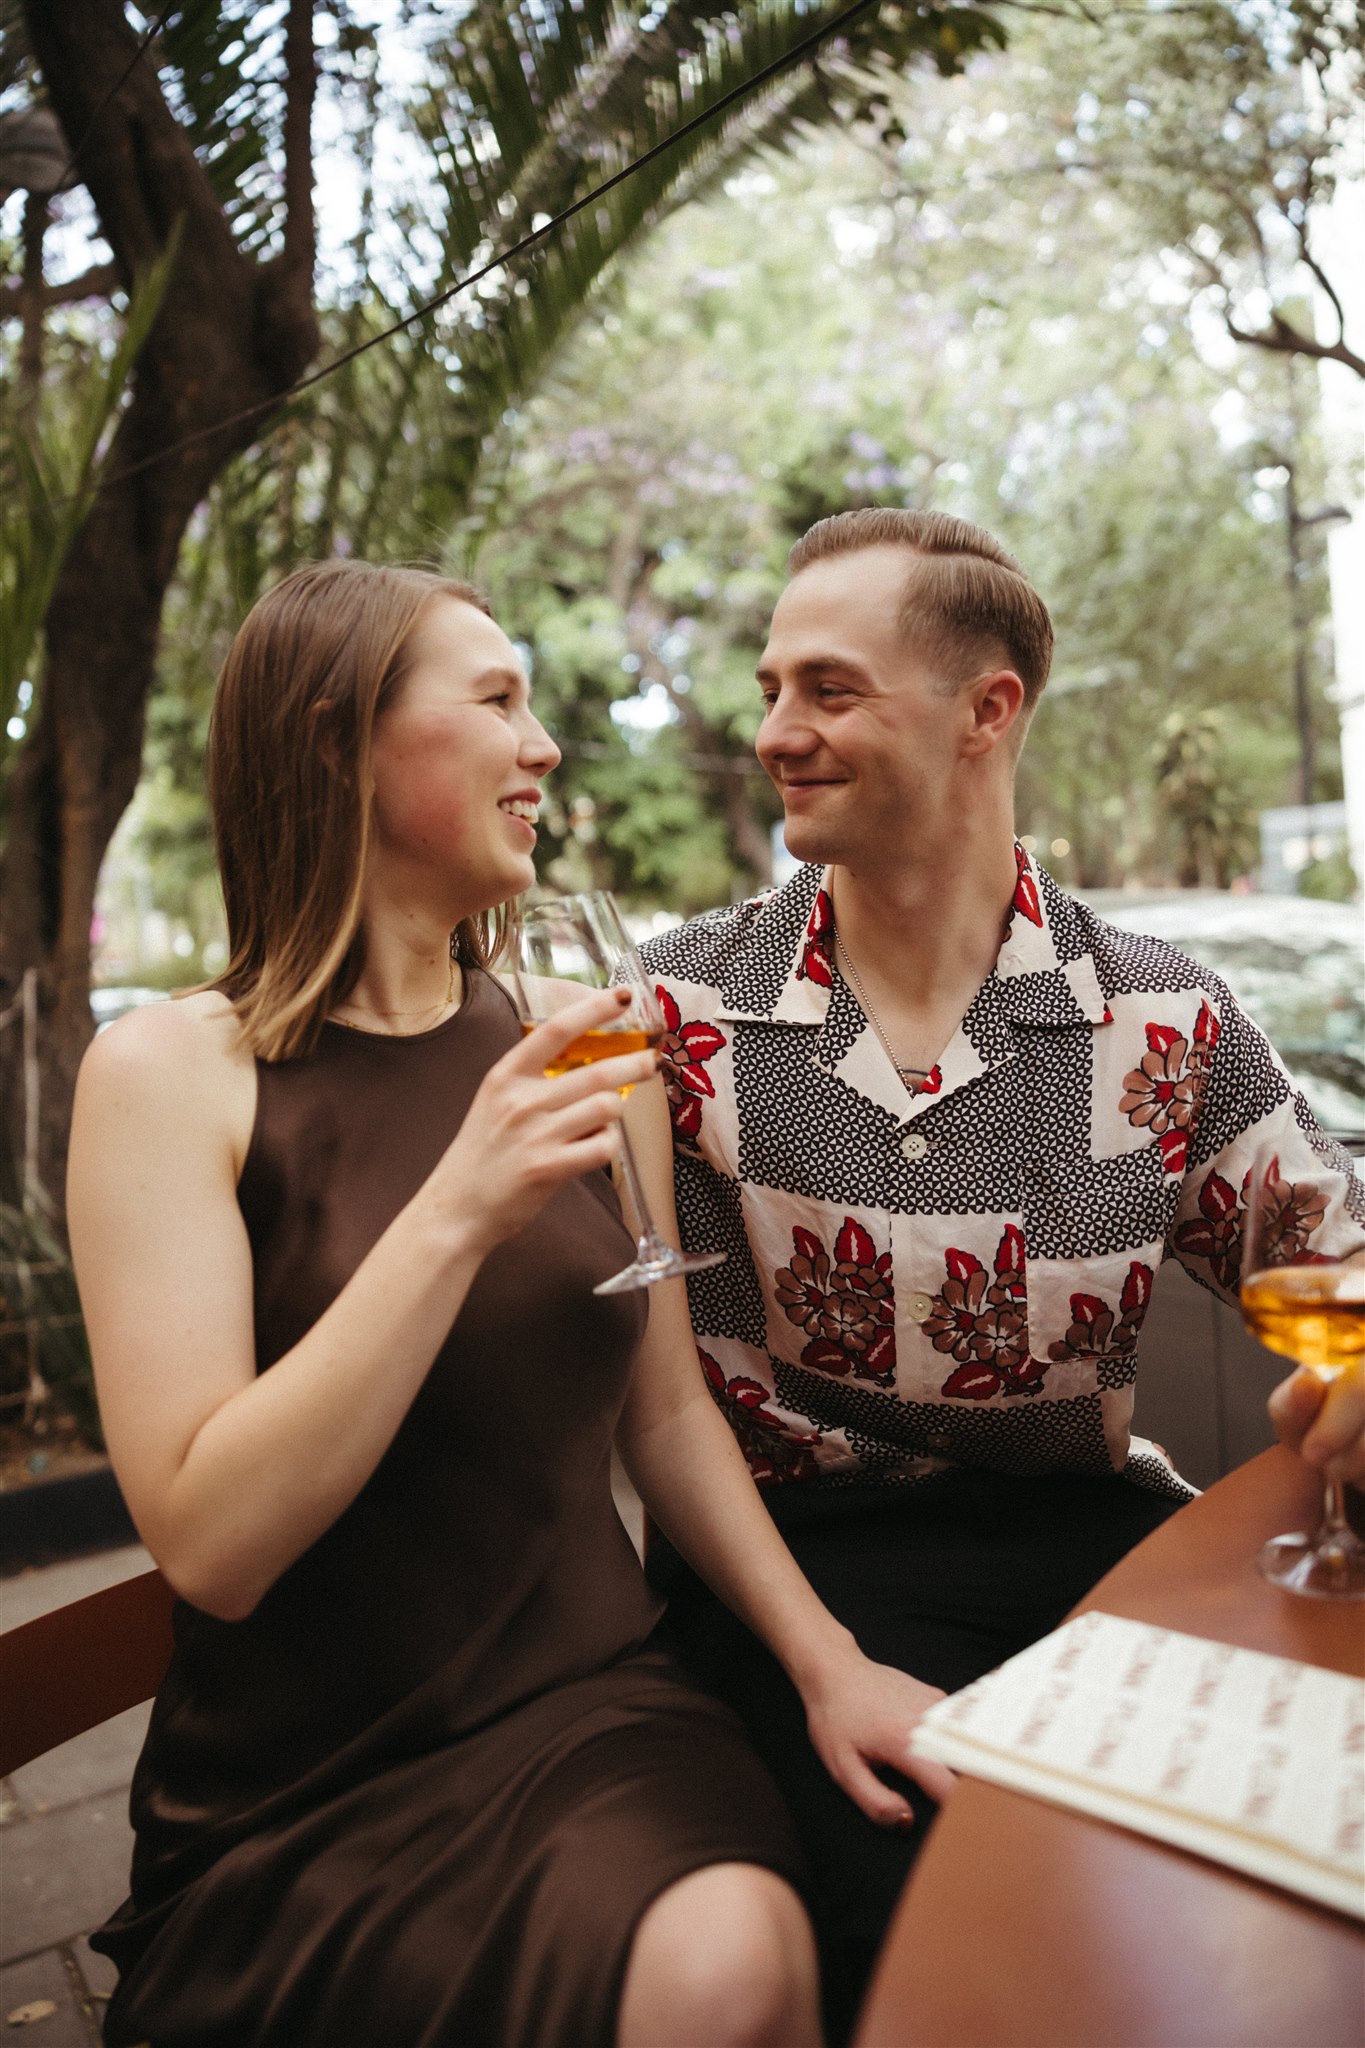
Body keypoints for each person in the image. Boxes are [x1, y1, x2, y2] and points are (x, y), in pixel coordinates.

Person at [67, 558, 956, 2048]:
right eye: (496, 702)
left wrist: (829, 1665)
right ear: (340, 740)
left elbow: (667, 1412)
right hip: (291, 1794)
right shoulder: (171, 1077)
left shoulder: (570, 1037)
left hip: (586, 1715)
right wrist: (457, 1211)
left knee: (732, 1967)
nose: (542, 747)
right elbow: (214, 1547)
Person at [636, 507, 1365, 2041]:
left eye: (827, 691)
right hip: (793, 1579)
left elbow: (1334, 1268)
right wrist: (826, 1664)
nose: (776, 732)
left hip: (1087, 1551)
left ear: (988, 712)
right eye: (771, 688)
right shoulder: (674, 1008)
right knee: (964, 1953)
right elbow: (648, 1405)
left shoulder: (1157, 1020)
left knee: (1270, 1885)